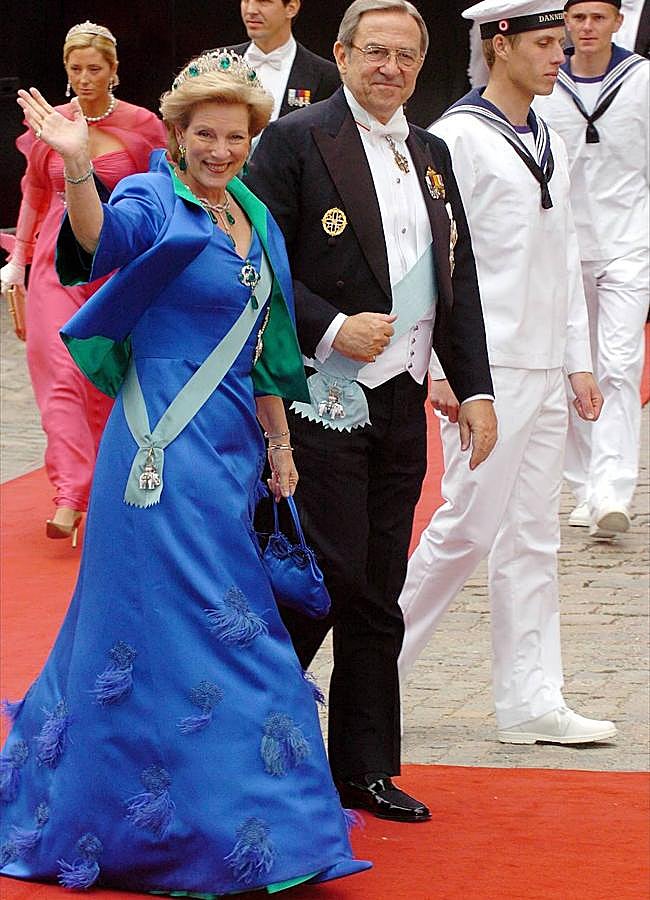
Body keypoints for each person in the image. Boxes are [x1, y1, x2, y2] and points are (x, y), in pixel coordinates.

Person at [0, 50, 371, 895]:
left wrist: (279, 443)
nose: (219, 150)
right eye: (204, 134)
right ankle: (233, 824)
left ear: (251, 139)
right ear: (176, 135)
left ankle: (208, 810)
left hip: (231, 447)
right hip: (158, 448)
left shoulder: (253, 213)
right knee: (217, 623)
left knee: (185, 627)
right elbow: (101, 246)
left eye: (234, 136)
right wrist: (79, 167)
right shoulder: (150, 197)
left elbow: (269, 340)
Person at [247, 0, 497, 822]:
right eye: (375, 52)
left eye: (406, 56)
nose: (391, 68)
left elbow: (455, 287)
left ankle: (362, 768)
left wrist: (477, 386)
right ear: (345, 55)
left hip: (397, 401)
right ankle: (257, 747)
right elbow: (257, 259)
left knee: (378, 587)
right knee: (327, 579)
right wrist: (328, 323)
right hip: (320, 399)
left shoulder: (428, 152)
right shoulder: (294, 139)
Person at [398, 0, 618, 746]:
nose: (563, 56)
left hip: (543, 366)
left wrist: (579, 363)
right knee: (466, 526)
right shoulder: (455, 137)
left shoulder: (549, 131)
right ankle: (372, 674)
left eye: (562, 42)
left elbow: (562, 251)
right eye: (547, 43)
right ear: (501, 44)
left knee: (533, 538)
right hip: (484, 370)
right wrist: (442, 371)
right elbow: (433, 261)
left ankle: (531, 699)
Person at [0, 22, 166, 546]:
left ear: (114, 71)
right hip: (55, 261)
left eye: (95, 68)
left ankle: (102, 486)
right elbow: (33, 192)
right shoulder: (53, 121)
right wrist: (17, 261)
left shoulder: (142, 126)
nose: (85, 77)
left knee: (102, 381)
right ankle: (69, 494)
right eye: (76, 68)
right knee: (56, 371)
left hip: (117, 261)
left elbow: (163, 194)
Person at [535, 1, 649, 537]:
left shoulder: (642, 79)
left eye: (598, 18)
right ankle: (583, 487)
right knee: (571, 367)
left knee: (621, 364)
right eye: (577, 18)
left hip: (630, 243)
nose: (586, 28)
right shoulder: (547, 78)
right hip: (565, 245)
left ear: (617, 22)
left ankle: (613, 488)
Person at [228, 0, 340, 121]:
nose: (251, 10)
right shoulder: (216, 60)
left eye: (263, 2)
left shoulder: (326, 76)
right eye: (246, 1)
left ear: (291, 8)